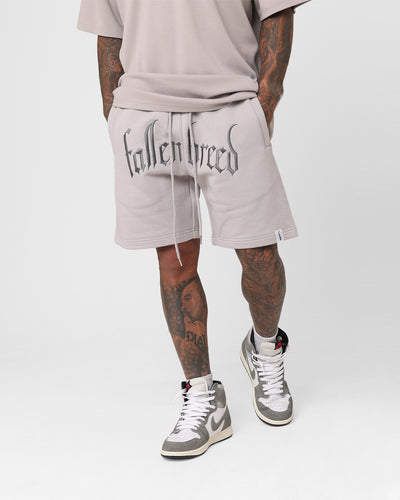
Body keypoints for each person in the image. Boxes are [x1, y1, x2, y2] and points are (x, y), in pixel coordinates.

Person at [77, 0, 311, 458]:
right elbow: (109, 31)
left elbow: (277, 11)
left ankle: (265, 347)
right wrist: (115, 114)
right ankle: (203, 395)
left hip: (229, 110)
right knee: (174, 263)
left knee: (259, 255)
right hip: (143, 117)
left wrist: (264, 103)